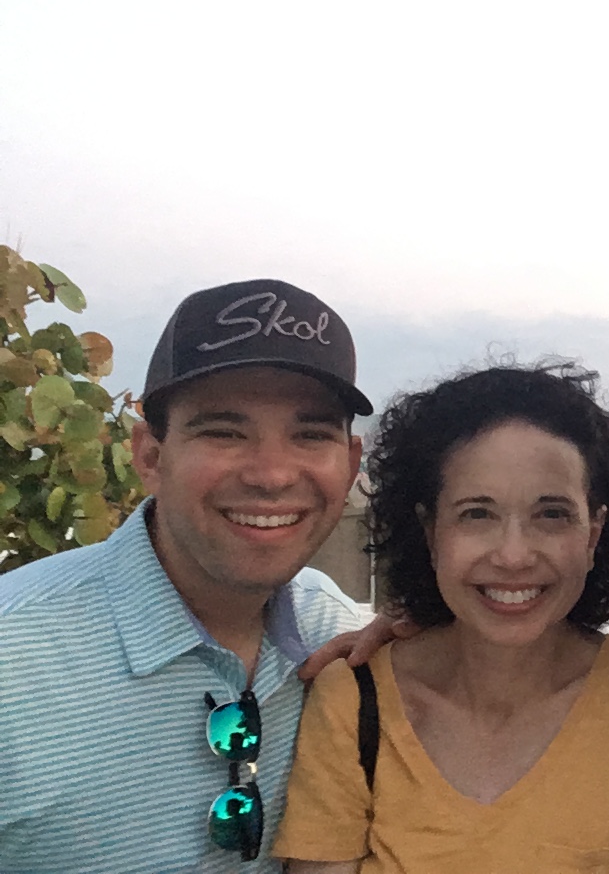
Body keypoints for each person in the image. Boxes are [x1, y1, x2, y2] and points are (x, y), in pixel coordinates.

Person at [0, 279, 372, 873]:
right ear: (150, 455)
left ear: (350, 463)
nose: (272, 475)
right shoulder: (14, 659)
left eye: (310, 434)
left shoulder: (344, 637)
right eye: (224, 432)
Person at [274, 363, 609, 873]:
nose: (514, 555)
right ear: (430, 532)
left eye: (552, 514)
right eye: (477, 513)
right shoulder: (354, 700)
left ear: (593, 533)